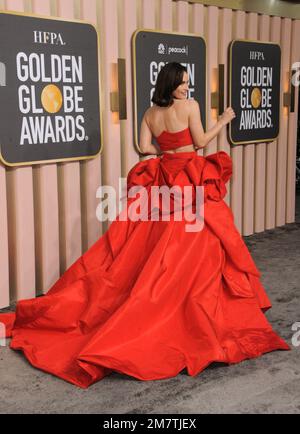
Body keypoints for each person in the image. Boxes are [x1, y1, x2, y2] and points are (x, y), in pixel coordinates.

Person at [0, 62, 290, 389]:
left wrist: (167, 150)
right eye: (182, 83)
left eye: (187, 83)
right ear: (171, 84)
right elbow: (201, 142)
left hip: (164, 177)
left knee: (152, 247)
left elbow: (144, 147)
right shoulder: (191, 107)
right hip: (189, 178)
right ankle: (185, 311)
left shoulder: (150, 113)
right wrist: (222, 121)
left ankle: (173, 301)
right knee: (198, 246)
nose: (186, 87)